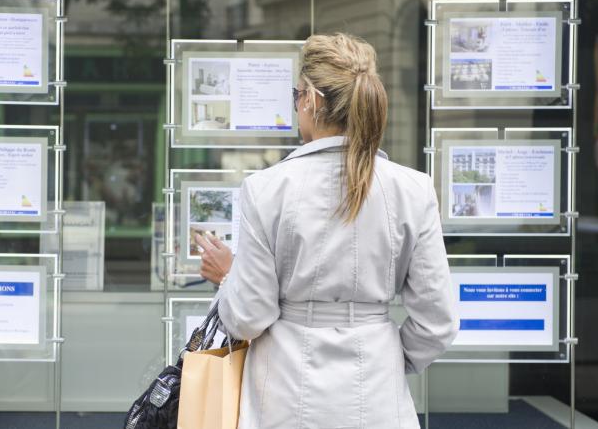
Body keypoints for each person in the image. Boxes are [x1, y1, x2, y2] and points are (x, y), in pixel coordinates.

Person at [195, 33, 458, 428]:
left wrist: (228, 276)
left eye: (297, 95)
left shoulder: (267, 188)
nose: (297, 105)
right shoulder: (413, 189)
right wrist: (386, 353)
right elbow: (437, 322)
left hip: (283, 393)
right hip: (379, 391)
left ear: (312, 100)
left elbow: (249, 316)